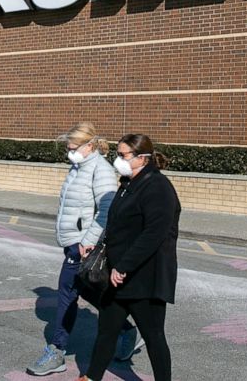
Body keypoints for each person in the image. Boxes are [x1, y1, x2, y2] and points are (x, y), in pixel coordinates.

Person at [27, 123, 143, 376]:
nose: (70, 151)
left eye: (73, 147)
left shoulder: (100, 170)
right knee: (90, 292)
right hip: (73, 242)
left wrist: (87, 241)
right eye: (68, 147)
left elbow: (107, 210)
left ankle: (57, 350)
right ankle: (127, 330)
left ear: (89, 145)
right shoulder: (78, 167)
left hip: (83, 246)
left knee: (66, 294)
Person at [78, 134, 181, 381]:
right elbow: (117, 225)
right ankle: (91, 377)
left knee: (154, 336)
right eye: (118, 154)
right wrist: (98, 246)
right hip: (118, 277)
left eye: (123, 155)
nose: (118, 159)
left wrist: (124, 265)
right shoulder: (128, 183)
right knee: (106, 332)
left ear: (142, 158)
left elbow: (154, 234)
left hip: (144, 277)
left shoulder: (158, 187)